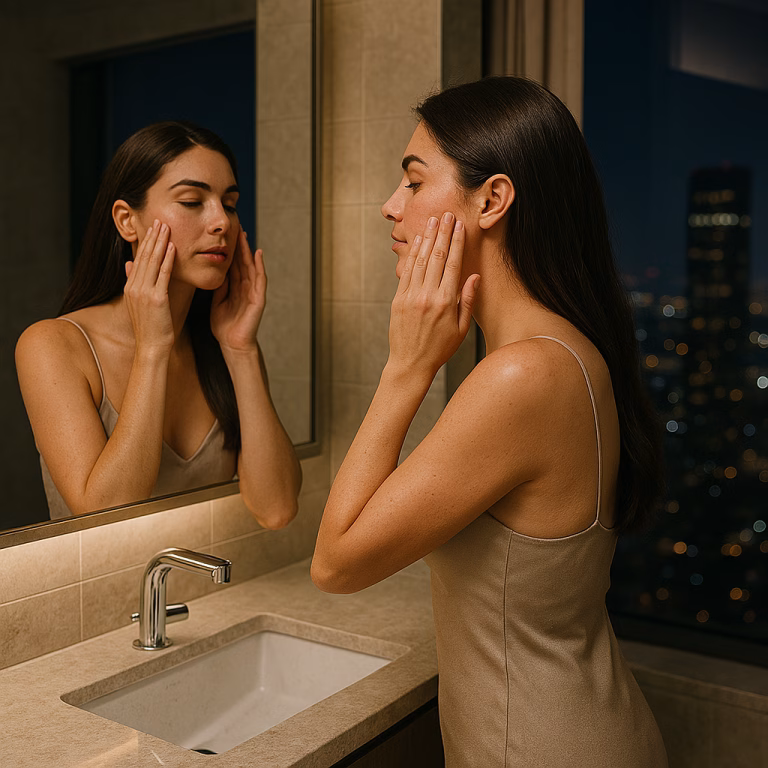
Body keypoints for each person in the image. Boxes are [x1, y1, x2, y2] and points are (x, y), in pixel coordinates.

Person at [311, 77, 668, 767]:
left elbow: (336, 562)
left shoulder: (522, 375)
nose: (391, 208)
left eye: (413, 183)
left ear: (493, 199)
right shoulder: (565, 352)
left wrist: (407, 367)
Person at [16, 121, 301, 525]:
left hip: (206, 589)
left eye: (231, 203)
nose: (222, 221)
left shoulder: (221, 345)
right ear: (126, 220)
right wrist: (152, 350)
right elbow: (105, 514)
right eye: (191, 201)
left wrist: (241, 349)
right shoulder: (52, 345)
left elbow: (277, 509)